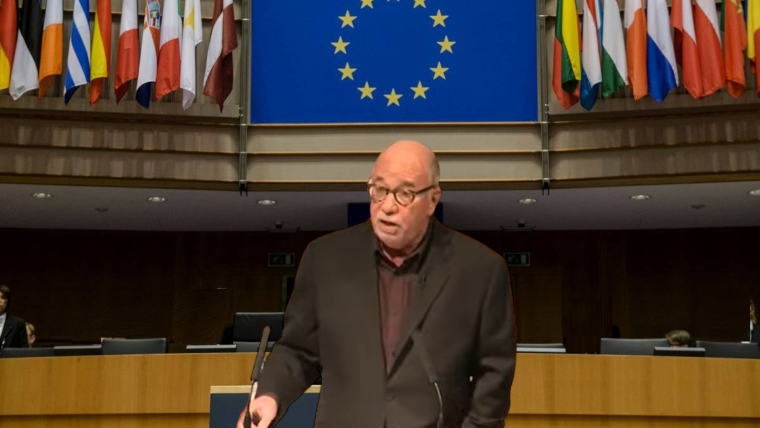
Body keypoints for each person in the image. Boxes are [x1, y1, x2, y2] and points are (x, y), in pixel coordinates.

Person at [238, 141, 516, 428]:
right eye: (379, 191)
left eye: (404, 194)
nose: (387, 207)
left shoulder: (480, 269)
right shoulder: (324, 259)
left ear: (433, 200)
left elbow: (494, 372)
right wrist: (270, 396)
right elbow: (298, 350)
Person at [0, 285, 30, 349]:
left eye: (3, 297)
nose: (0, 300)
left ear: (7, 301)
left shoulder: (18, 323)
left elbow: (23, 351)